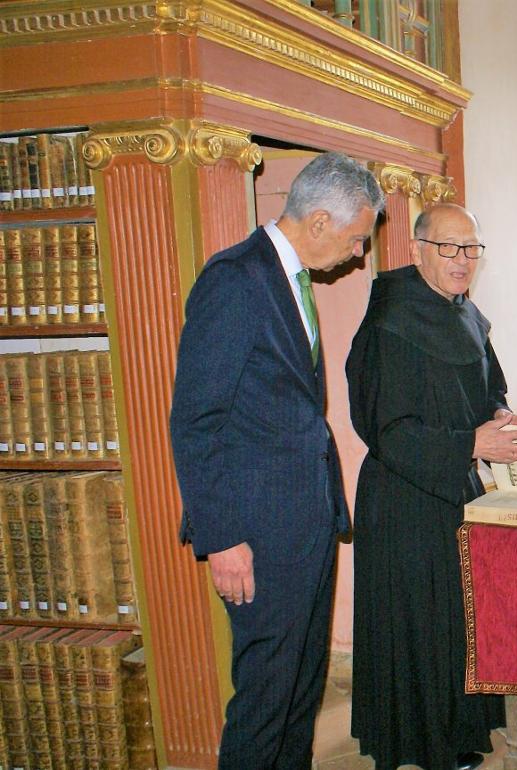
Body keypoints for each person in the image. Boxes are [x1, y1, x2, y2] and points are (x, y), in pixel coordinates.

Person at [169, 151, 384, 769]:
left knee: (299, 691)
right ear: (318, 222)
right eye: (353, 238)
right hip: (259, 532)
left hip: (306, 521)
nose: (357, 253)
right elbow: (196, 419)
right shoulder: (236, 279)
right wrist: (224, 536)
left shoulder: (289, 278)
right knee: (266, 698)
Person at [346, 203, 517, 770]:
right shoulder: (391, 322)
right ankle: (430, 743)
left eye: (472, 248)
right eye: (449, 248)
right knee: (423, 624)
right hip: (405, 498)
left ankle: (465, 722)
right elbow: (386, 428)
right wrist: (469, 445)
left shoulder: (465, 313)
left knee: (458, 616)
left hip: (456, 488)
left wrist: (499, 414)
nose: (462, 261)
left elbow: (490, 385)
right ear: (418, 248)